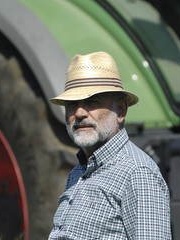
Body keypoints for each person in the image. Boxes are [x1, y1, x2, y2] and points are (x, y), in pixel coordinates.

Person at [48, 51, 171, 239]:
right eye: (72, 104)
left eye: (92, 102)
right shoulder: (77, 173)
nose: (79, 112)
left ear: (121, 110)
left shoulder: (137, 173)